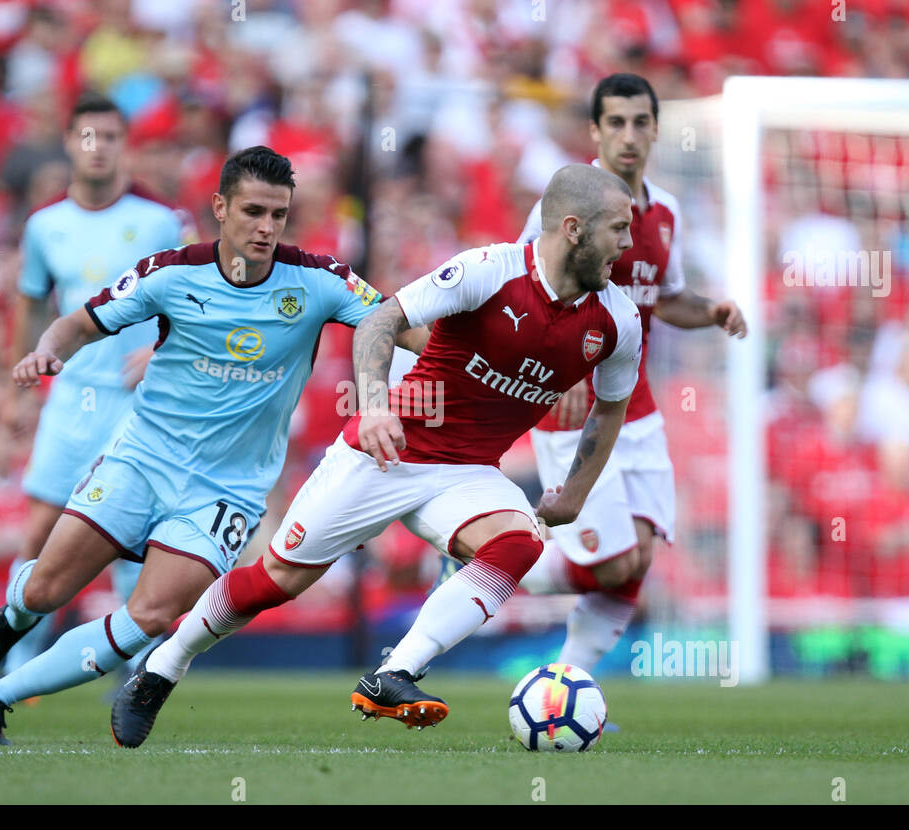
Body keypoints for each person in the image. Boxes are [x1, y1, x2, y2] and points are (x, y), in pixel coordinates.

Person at [112, 162, 644, 747]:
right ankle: (163, 667)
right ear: (573, 228)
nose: (627, 244)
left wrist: (573, 495)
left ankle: (395, 672)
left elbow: (610, 408)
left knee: (518, 542)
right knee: (275, 581)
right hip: (387, 452)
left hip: (466, 473)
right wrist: (374, 406)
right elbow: (381, 320)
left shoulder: (618, 320)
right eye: (618, 229)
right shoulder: (487, 271)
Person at [0, 146, 424, 744]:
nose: (267, 227)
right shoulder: (171, 273)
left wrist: (469, 353)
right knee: (47, 588)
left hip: (226, 490)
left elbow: (398, 320)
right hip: (141, 461)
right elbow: (78, 322)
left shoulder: (319, 281)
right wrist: (47, 352)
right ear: (220, 208)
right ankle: (13, 615)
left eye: (279, 215)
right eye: (254, 211)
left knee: (149, 615)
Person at [509, 73, 746, 675]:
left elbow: (665, 299)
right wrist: (556, 376)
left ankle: (566, 685)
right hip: (568, 404)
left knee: (638, 560)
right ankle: (489, 566)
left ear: (656, 130)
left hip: (633, 403)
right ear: (594, 132)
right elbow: (525, 290)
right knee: (611, 565)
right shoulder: (561, 206)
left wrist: (711, 311)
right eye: (615, 122)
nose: (629, 135)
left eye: (641, 122)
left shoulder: (665, 211)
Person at [0, 92, 196, 675]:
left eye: (111, 137)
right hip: (70, 400)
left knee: (134, 543)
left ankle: (139, 676)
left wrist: (158, 351)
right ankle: (13, 665)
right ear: (71, 144)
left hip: (137, 404)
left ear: (126, 145)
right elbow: (30, 306)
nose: (99, 148)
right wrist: (17, 390)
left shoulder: (158, 221)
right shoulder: (45, 226)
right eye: (88, 137)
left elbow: (196, 299)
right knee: (40, 533)